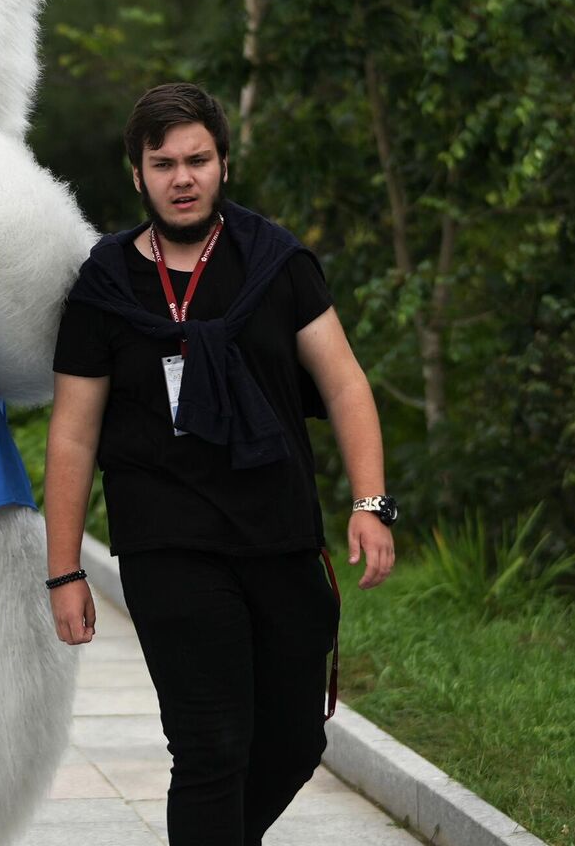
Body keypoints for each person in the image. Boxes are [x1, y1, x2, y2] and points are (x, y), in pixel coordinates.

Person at [42, 82, 397, 845]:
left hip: (278, 536)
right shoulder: (103, 287)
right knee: (210, 748)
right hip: (168, 546)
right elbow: (72, 435)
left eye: (197, 159)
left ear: (223, 165)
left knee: (296, 744)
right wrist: (64, 570)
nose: (182, 177)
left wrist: (371, 503)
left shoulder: (275, 263)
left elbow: (344, 382)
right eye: (163, 162)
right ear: (136, 174)